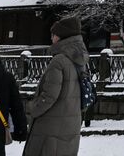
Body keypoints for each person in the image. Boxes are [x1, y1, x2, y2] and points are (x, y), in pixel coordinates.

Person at [23, 15, 89, 156]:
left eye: (53, 35)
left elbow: (49, 96)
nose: (51, 39)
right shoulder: (80, 60)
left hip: (50, 129)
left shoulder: (59, 61)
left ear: (60, 37)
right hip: (70, 127)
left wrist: (32, 108)